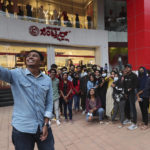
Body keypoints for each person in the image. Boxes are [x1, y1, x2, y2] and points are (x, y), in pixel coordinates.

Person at [0, 50, 54, 150]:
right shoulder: (16, 74)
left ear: (41, 62)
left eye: (34, 56)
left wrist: (46, 124)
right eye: (28, 56)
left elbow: (49, 103)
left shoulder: (47, 79)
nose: (30, 57)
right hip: (22, 129)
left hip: (43, 127)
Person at [124, 64, 138, 130]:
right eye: (126, 68)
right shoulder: (126, 76)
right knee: (127, 107)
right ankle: (129, 119)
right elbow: (125, 85)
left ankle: (134, 123)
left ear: (130, 68)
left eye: (127, 68)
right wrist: (125, 93)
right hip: (127, 94)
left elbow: (136, 84)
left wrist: (131, 88)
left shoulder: (134, 76)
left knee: (133, 108)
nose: (126, 69)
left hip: (132, 93)